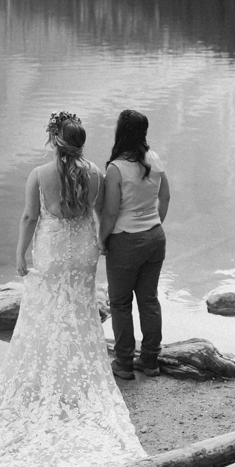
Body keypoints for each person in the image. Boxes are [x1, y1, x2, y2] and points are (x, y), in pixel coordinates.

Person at [0, 110, 146, 467]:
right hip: (83, 252)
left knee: (43, 318)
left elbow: (29, 218)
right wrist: (102, 243)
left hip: (54, 250)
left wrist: (20, 255)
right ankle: (76, 388)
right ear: (79, 141)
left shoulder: (39, 175)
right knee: (78, 317)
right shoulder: (95, 172)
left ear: (53, 139)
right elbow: (100, 212)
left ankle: (46, 384)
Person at [99, 109, 170, 381]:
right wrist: (155, 224)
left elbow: (109, 213)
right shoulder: (154, 159)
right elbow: (166, 197)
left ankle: (124, 364)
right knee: (149, 300)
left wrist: (102, 240)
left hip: (126, 241)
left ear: (121, 132)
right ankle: (150, 361)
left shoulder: (116, 168)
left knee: (120, 304)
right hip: (155, 237)